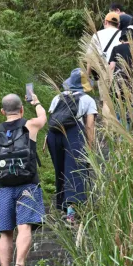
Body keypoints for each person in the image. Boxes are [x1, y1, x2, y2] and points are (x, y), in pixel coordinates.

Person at [0, 91, 47, 266]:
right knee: (24, 225)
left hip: (2, 187)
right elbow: (43, 117)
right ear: (21, 109)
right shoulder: (31, 125)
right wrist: (36, 102)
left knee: (6, 232)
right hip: (28, 184)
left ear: (3, 111)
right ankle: (19, 265)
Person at [46, 69, 97, 225]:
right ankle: (71, 213)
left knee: (60, 170)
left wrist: (47, 138)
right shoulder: (88, 99)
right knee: (74, 170)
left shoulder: (57, 97)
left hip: (54, 135)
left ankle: (62, 207)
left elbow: (53, 119)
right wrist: (90, 148)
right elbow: (89, 127)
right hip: (74, 134)